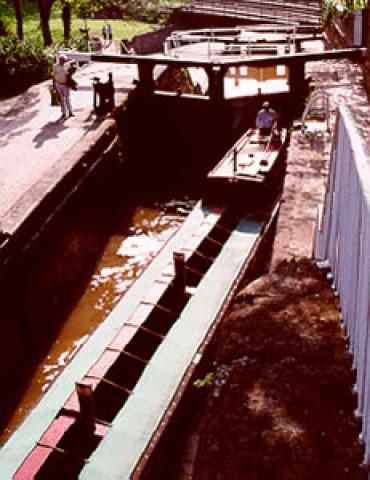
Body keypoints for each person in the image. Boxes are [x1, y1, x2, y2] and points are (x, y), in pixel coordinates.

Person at [52, 54, 74, 121]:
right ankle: (64, 113)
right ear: (59, 60)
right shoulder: (55, 66)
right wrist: (54, 85)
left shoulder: (67, 65)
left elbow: (70, 74)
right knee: (61, 99)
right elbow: (53, 75)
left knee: (67, 98)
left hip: (65, 84)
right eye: (62, 60)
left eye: (64, 61)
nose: (63, 62)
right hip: (58, 84)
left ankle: (70, 112)